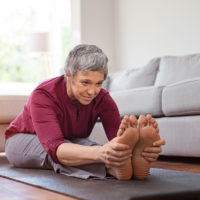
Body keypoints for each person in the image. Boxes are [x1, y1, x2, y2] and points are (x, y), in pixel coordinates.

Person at [5, 44, 165, 180]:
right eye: (85, 82)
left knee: (89, 147)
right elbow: (55, 147)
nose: (92, 91)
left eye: (98, 83)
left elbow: (119, 141)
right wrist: (102, 153)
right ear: (68, 76)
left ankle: (122, 165)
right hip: (22, 139)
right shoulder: (43, 95)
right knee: (62, 153)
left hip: (69, 140)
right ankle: (110, 169)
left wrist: (137, 149)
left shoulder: (103, 98)